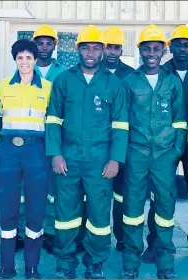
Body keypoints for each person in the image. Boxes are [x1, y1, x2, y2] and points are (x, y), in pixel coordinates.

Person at [45, 25, 128, 279]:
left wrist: (115, 159)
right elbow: (53, 120)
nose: (90, 52)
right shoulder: (64, 79)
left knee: (99, 216)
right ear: (77, 49)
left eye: (95, 47)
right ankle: (65, 264)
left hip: (100, 162)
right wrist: (55, 154)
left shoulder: (114, 83)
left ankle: (95, 263)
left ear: (103, 50)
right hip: (67, 159)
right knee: (65, 215)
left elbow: (121, 125)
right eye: (85, 47)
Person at [119, 24, 186, 280]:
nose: (151, 53)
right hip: (136, 153)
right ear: (140, 51)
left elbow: (180, 120)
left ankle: (165, 260)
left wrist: (176, 151)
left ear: (163, 51)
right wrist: (125, 153)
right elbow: (122, 121)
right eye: (146, 48)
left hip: (165, 156)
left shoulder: (172, 82)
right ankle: (131, 263)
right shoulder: (129, 82)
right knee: (133, 209)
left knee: (165, 210)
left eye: (156, 48)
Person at [147, 24, 188, 264]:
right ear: (170, 47)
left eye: (187, 44)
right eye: (177, 44)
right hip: (165, 141)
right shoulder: (160, 71)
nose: (182, 49)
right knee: (160, 193)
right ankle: (155, 245)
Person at [0, 39, 52, 280]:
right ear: (15, 60)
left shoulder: (47, 87)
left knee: (36, 208)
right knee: (7, 207)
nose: (24, 62)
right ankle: (7, 266)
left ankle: (32, 267)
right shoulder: (3, 86)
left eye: (29, 58)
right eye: (20, 58)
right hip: (8, 151)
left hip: (37, 151)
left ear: (36, 60)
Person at [31, 24, 68, 254]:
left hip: (56, 139)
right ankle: (27, 231)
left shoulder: (63, 74)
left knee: (54, 188)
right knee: (29, 186)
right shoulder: (24, 69)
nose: (44, 47)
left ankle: (51, 232)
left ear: (55, 45)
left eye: (48, 43)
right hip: (31, 139)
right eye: (40, 43)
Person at [101, 26, 135, 253]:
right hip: (98, 143)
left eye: (115, 47)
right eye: (107, 47)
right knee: (96, 194)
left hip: (124, 143)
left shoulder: (131, 75)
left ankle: (121, 238)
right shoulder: (93, 72)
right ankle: (92, 239)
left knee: (122, 194)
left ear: (121, 50)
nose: (111, 52)